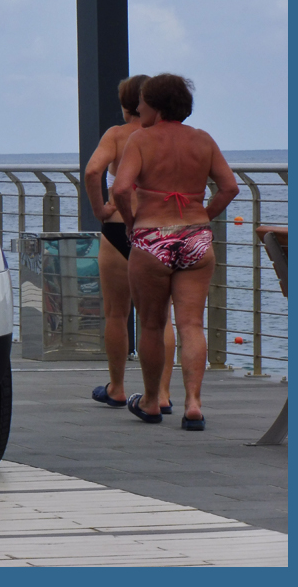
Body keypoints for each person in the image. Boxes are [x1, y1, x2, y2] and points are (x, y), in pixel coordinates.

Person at [112, 74, 239, 431]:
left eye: (142, 102)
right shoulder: (204, 140)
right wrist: (202, 216)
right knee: (192, 324)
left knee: (152, 324)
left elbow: (121, 188)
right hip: (196, 239)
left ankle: (152, 401)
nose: (137, 108)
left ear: (155, 105)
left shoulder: (140, 139)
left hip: (152, 237)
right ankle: (194, 404)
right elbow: (229, 187)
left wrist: (132, 221)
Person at [83, 75, 175, 413]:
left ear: (128, 106)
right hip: (156, 229)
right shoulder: (165, 138)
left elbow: (93, 172)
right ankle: (161, 393)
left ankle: (118, 387)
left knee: (115, 313)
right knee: (161, 319)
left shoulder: (118, 135)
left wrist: (99, 210)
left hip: (118, 229)